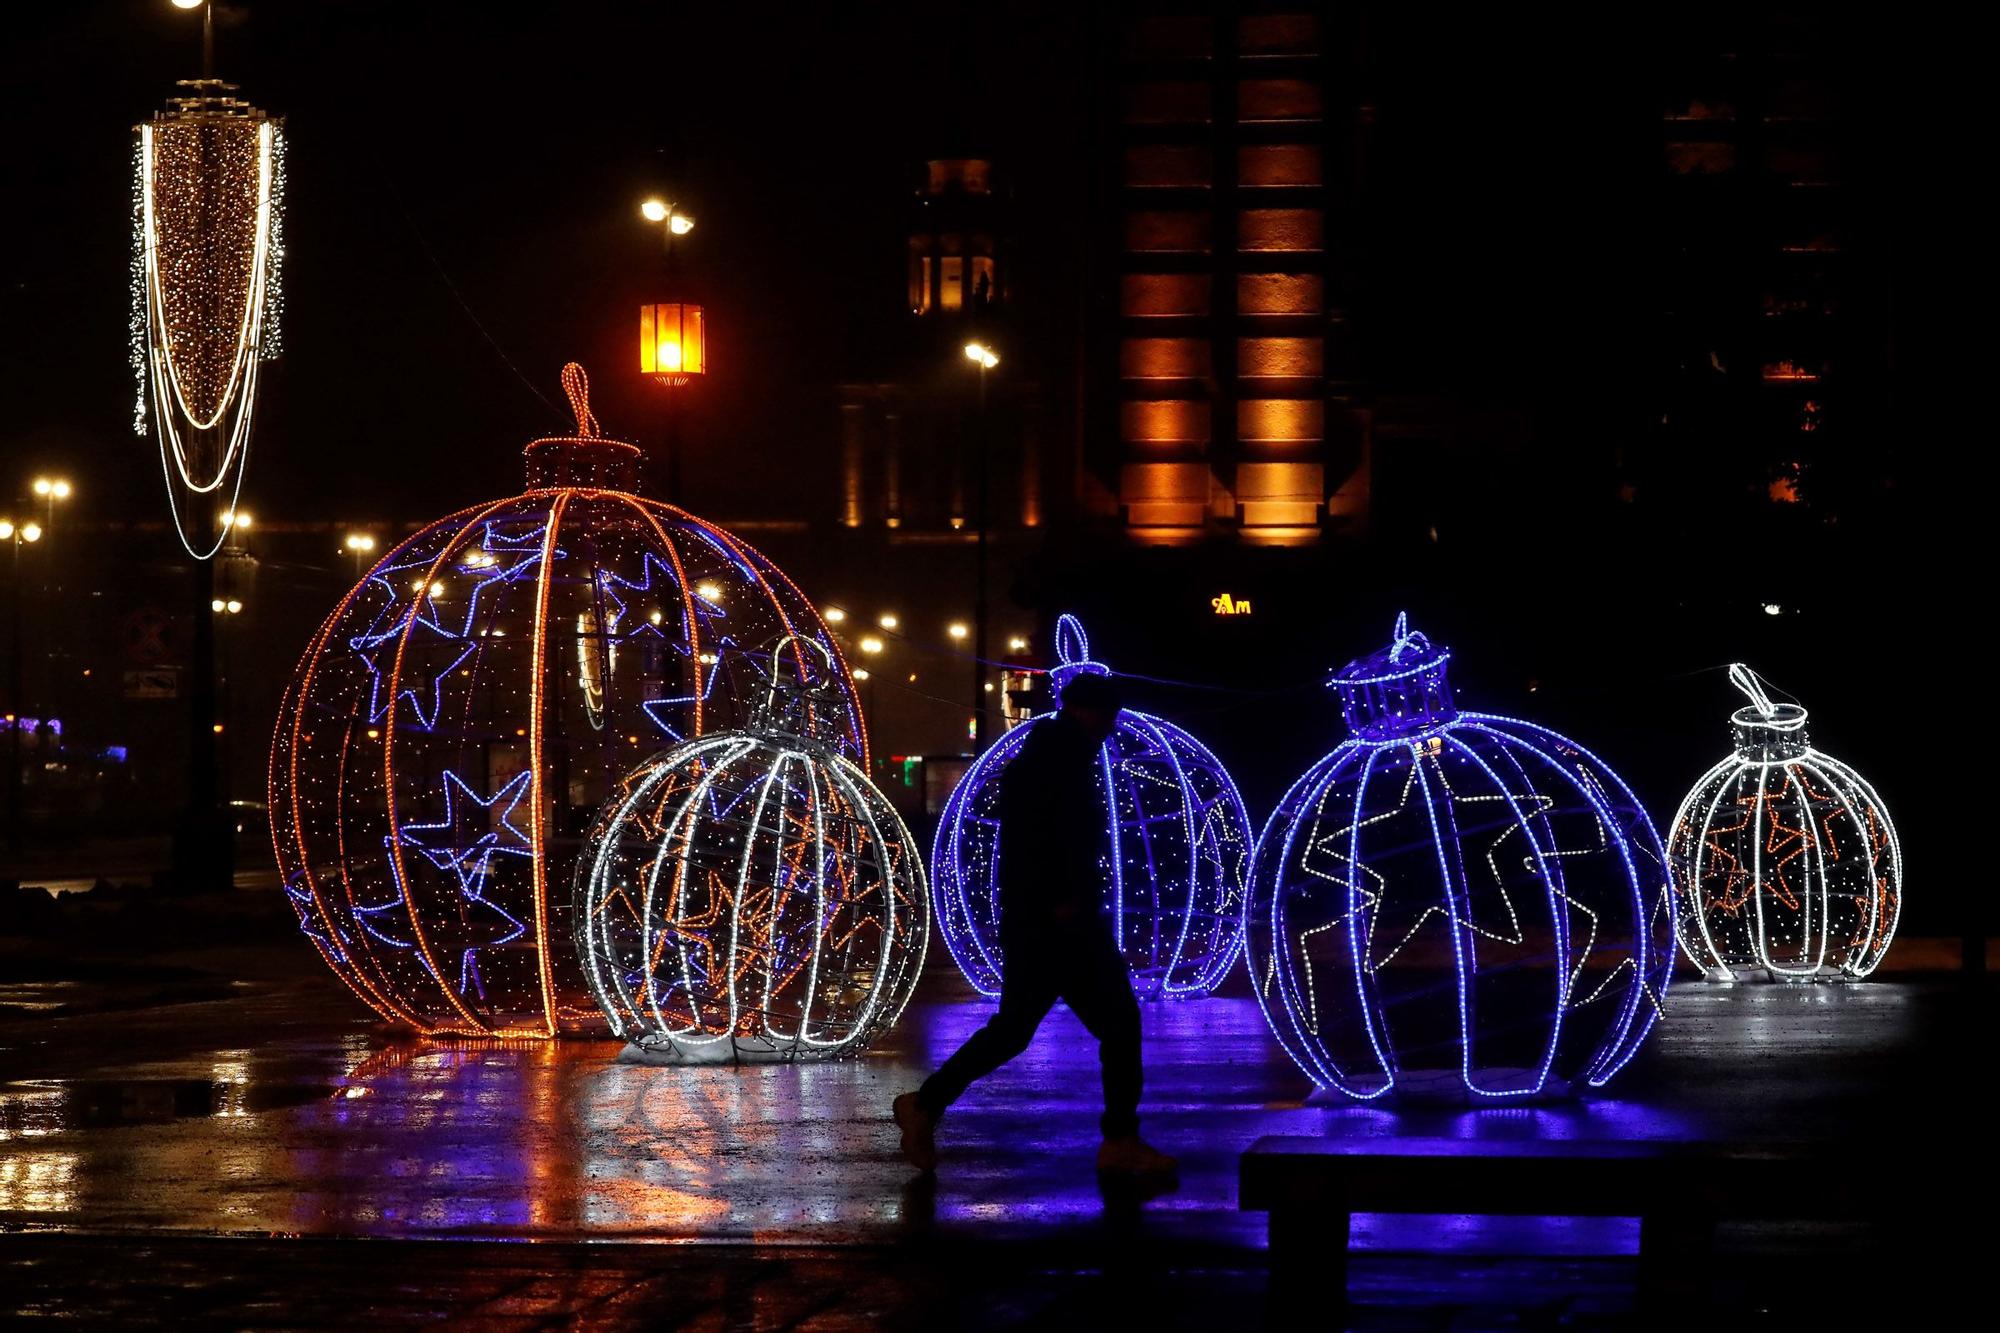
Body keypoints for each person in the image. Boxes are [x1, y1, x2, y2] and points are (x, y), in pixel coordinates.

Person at [893, 670, 1177, 1180]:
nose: (1113, 727)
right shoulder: (1057, 762)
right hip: (1059, 923)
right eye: (1108, 715)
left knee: (1017, 1030)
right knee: (1115, 1024)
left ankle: (927, 1103)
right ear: (1087, 711)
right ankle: (1119, 1141)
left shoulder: (1053, 756)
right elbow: (1045, 841)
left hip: (1043, 920)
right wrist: (1064, 901)